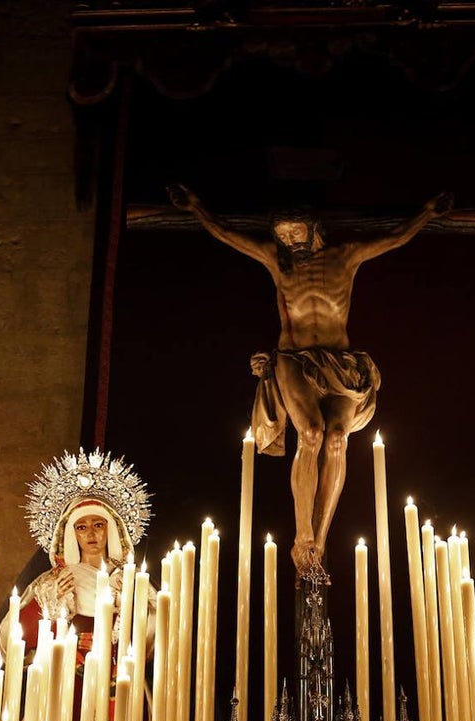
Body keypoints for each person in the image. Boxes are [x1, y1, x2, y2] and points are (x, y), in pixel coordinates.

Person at [168, 184, 452, 573]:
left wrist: (428, 212)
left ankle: (320, 538)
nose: (288, 241)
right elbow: (228, 234)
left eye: (294, 232)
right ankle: (303, 534)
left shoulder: (345, 257)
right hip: (294, 359)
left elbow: (395, 237)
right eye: (282, 235)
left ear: (314, 228)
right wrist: (197, 207)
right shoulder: (277, 262)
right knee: (312, 434)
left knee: (338, 439)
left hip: (340, 363)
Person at [0, 448, 155, 697]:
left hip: (119, 682)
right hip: (65, 685)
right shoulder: (51, 583)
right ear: (71, 534)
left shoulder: (132, 581)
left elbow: (157, 638)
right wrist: (49, 608)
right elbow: (12, 639)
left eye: (98, 525)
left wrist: (133, 605)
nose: (91, 534)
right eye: (81, 527)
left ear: (111, 529)